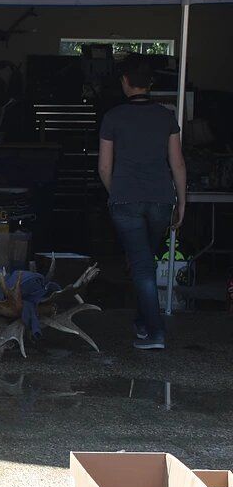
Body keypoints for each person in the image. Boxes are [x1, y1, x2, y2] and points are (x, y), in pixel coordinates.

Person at [98, 54, 187, 350]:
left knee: (141, 265)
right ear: (150, 83)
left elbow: (104, 168)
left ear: (125, 82)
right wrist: (181, 202)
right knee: (144, 260)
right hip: (161, 200)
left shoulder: (113, 117)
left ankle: (156, 332)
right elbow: (178, 165)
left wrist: (117, 193)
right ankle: (141, 321)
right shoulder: (166, 116)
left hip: (126, 201)